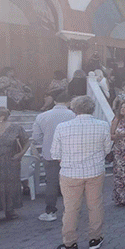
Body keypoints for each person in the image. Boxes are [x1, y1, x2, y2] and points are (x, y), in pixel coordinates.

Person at [52, 96, 112, 249]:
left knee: (71, 208)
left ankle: (70, 243)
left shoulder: (62, 127)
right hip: (95, 171)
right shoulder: (103, 125)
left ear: (74, 109)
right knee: (95, 205)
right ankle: (95, 238)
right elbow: (107, 149)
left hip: (70, 173)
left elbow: (55, 153)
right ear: (92, 108)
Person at [33, 92, 76, 221]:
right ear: (68, 102)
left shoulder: (42, 116)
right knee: (71, 182)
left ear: (55, 102)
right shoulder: (73, 115)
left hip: (50, 153)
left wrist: (46, 142)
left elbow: (36, 137)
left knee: (51, 182)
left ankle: (50, 210)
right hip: (70, 153)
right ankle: (72, 209)